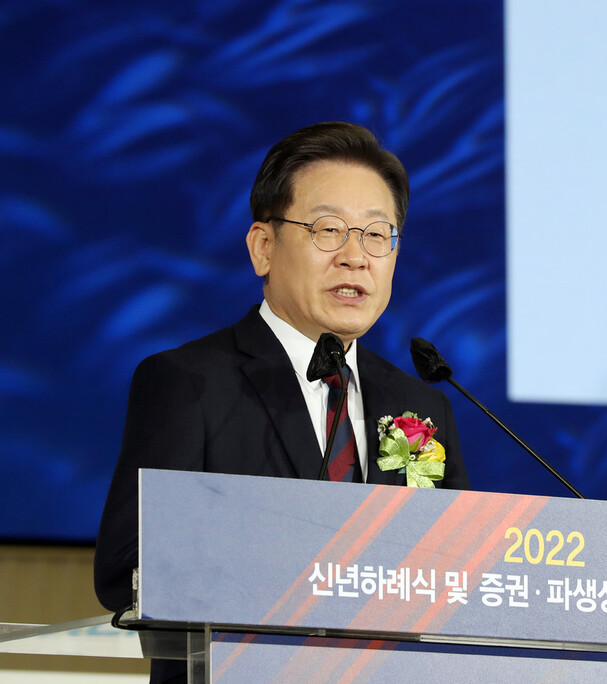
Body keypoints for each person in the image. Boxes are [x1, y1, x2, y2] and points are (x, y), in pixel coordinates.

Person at [94, 122, 470, 683]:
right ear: (263, 247)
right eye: (328, 230)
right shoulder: (189, 382)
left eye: (377, 234)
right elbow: (127, 569)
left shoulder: (422, 405)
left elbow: (462, 576)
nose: (355, 257)